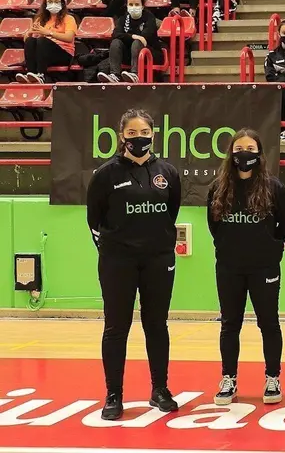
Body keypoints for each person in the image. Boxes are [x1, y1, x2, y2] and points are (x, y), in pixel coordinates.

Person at [86, 109, 183, 421]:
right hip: (118, 262)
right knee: (116, 327)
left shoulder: (167, 172)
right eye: (131, 133)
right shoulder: (105, 174)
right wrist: (117, 250)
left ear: (153, 135)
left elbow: (171, 212)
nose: (138, 138)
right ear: (121, 136)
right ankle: (114, 395)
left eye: (144, 133)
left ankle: (160, 390)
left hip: (158, 260)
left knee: (157, 325)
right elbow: (94, 220)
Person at [207, 128, 285, 407]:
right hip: (229, 268)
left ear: (259, 154)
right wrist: (227, 247)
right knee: (229, 324)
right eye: (238, 149)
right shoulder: (218, 188)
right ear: (230, 154)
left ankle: (272, 378)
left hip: (264, 268)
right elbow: (213, 225)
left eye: (250, 149)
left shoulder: (274, 188)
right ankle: (228, 379)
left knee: (268, 323)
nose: (244, 154)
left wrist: (274, 249)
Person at [16, 0, 77, 85]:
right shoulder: (40, 20)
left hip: (64, 54)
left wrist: (48, 33)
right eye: (50, 2)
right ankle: (31, 74)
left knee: (42, 40)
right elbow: (26, 40)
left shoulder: (69, 18)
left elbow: (69, 38)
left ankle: (41, 75)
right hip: (44, 54)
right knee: (30, 40)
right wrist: (30, 32)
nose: (53, 4)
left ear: (61, 4)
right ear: (46, 5)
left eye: (56, 2)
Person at [99, 0, 159, 84]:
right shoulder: (123, 17)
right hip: (129, 54)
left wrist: (133, 38)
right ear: (127, 6)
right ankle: (115, 75)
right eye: (130, 4)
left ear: (142, 6)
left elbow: (145, 37)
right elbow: (115, 34)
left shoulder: (149, 17)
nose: (133, 7)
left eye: (137, 4)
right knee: (116, 42)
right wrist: (132, 36)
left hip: (149, 54)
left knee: (137, 42)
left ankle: (135, 74)